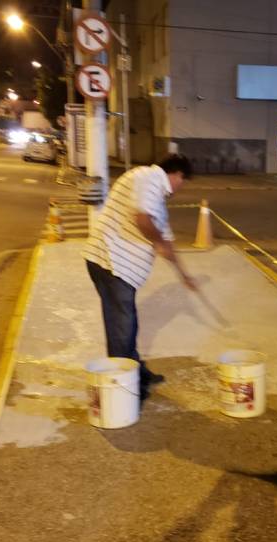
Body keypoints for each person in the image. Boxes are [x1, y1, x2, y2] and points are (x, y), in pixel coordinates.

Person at [83, 155, 197, 401]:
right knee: (121, 327)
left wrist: (184, 275)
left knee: (127, 324)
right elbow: (142, 218)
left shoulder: (157, 201)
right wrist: (158, 242)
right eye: (183, 181)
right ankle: (123, 388)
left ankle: (136, 373)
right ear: (177, 174)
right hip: (111, 263)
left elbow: (166, 242)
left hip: (120, 270)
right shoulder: (149, 177)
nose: (180, 187)